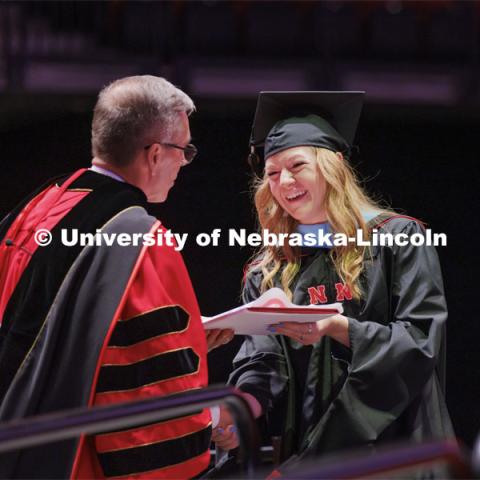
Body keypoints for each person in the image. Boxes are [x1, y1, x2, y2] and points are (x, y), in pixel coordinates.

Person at [0, 75, 231, 479]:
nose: (184, 162)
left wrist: (188, 345)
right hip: (71, 460)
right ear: (156, 154)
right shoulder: (142, 240)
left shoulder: (39, 205)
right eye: (184, 150)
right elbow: (148, 391)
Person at [213, 92, 454, 471]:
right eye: (272, 173)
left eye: (297, 165)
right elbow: (263, 361)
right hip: (303, 456)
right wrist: (240, 411)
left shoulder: (396, 240)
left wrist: (342, 328)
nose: (284, 181)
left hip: (394, 455)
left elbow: (421, 344)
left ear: (334, 165)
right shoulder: (268, 270)